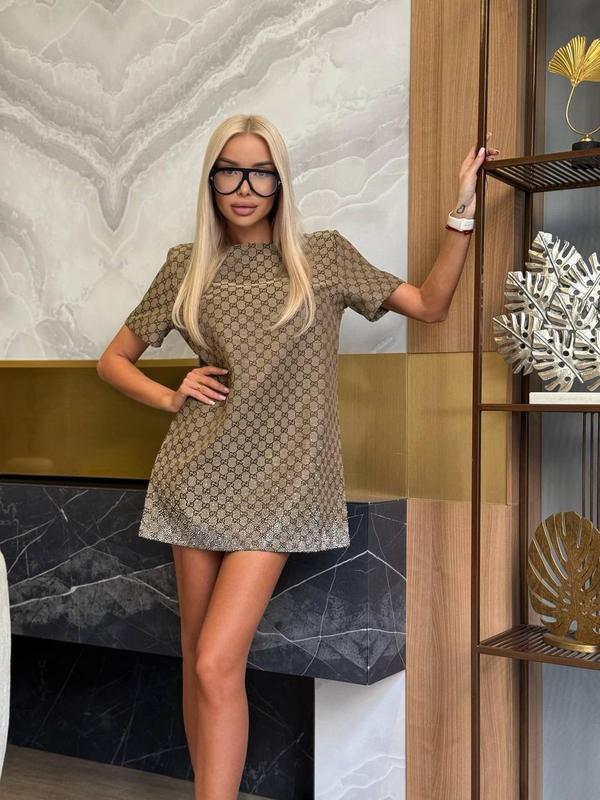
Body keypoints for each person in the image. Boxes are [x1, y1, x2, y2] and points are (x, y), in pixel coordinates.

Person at [96, 113, 498, 800]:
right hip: (196, 477)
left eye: (260, 173)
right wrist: (170, 395)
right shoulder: (186, 266)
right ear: (212, 180)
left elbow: (431, 305)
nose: (244, 187)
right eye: (230, 171)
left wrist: (462, 211)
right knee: (197, 661)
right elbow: (113, 360)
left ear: (280, 182)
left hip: (284, 485)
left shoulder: (324, 258)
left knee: (216, 662)